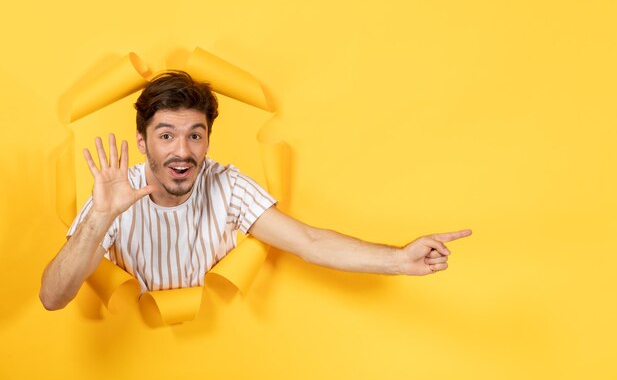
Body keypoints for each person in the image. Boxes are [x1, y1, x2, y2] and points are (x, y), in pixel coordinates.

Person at [40, 71, 472, 311]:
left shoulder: (226, 184)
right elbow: (52, 298)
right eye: (166, 135)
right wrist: (101, 216)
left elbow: (310, 242)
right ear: (142, 141)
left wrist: (398, 259)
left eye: (195, 135)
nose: (182, 151)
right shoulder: (115, 195)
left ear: (208, 139)